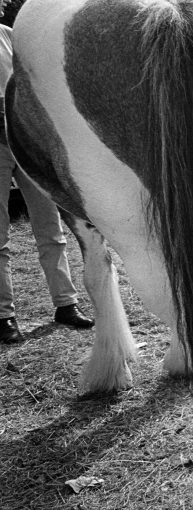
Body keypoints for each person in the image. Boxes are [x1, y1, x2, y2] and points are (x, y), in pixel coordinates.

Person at [0, 8, 93, 344]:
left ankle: (65, 304)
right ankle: (4, 315)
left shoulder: (9, 35)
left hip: (25, 137)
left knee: (50, 227)